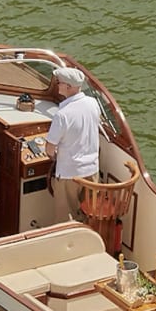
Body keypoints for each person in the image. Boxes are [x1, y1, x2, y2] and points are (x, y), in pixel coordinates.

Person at [44, 67, 101, 223]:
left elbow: (49, 148)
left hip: (70, 174)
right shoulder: (93, 103)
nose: (57, 86)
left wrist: (54, 156)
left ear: (68, 87)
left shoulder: (62, 115)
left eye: (59, 83)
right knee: (89, 214)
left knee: (66, 219)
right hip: (92, 170)